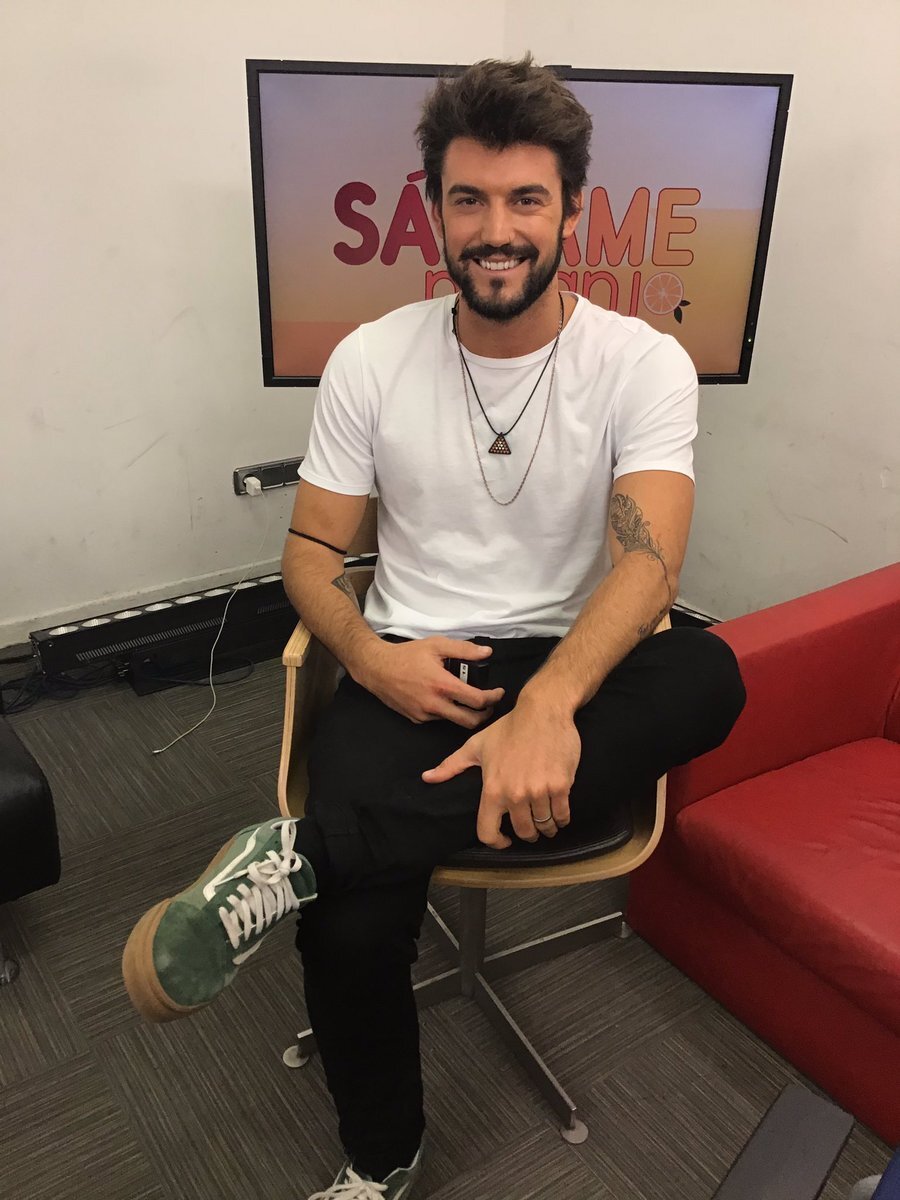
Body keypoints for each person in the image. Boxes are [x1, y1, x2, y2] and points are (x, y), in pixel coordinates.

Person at [122, 55, 746, 1200]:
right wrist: (370, 658)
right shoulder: (371, 358)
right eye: (471, 199)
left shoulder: (642, 362)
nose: (497, 230)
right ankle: (383, 1158)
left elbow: (650, 565)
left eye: (526, 199)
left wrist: (547, 705)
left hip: (568, 664)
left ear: (572, 210)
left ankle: (309, 856)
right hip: (409, 662)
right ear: (436, 211)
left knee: (709, 671)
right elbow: (310, 557)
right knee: (351, 937)